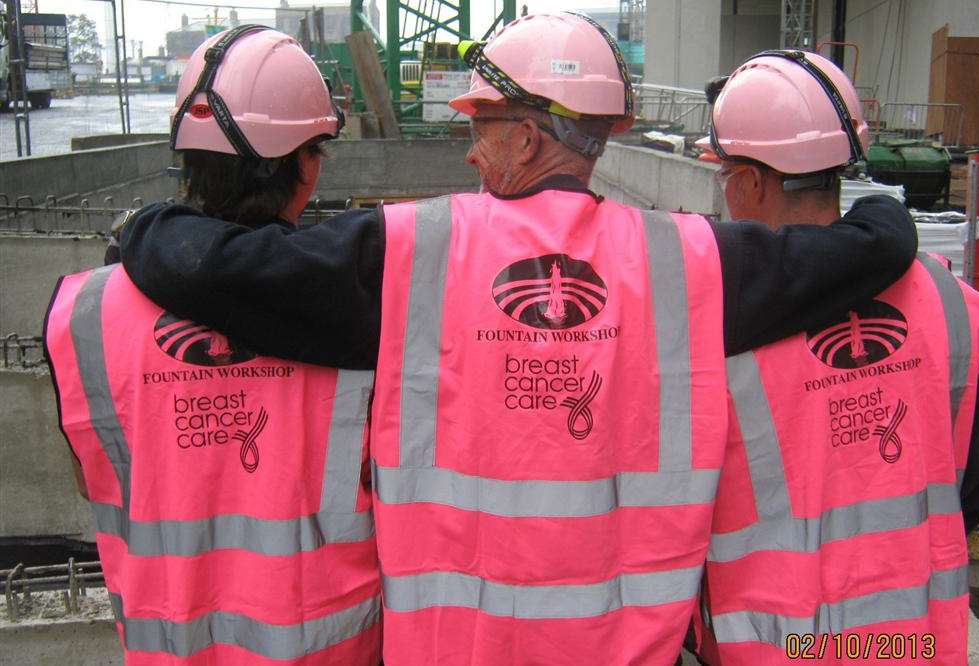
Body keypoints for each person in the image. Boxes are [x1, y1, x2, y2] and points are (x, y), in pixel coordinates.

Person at [116, 13, 919, 664]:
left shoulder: (413, 255)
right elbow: (852, 253)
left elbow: (220, 270)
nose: (469, 148)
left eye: (483, 126)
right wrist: (885, 213)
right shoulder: (688, 262)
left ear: (530, 141)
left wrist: (150, 226)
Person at [43, 27, 381, 664]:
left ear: (189, 160)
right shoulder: (370, 304)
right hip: (334, 648)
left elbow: (93, 479)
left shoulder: (82, 315)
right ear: (306, 163)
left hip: (168, 645)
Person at [691, 50, 979, 665]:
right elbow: (972, 479)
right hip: (917, 641)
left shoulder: (712, 325)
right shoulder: (953, 303)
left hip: (776, 644)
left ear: (750, 183)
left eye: (724, 175)